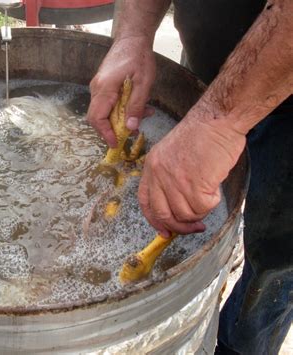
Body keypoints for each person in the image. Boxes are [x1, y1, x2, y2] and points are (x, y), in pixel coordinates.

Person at [87, 0, 292, 353]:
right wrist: (133, 33)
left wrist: (218, 120)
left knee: (276, 259)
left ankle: (239, 346)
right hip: (221, 71)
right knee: (172, 202)